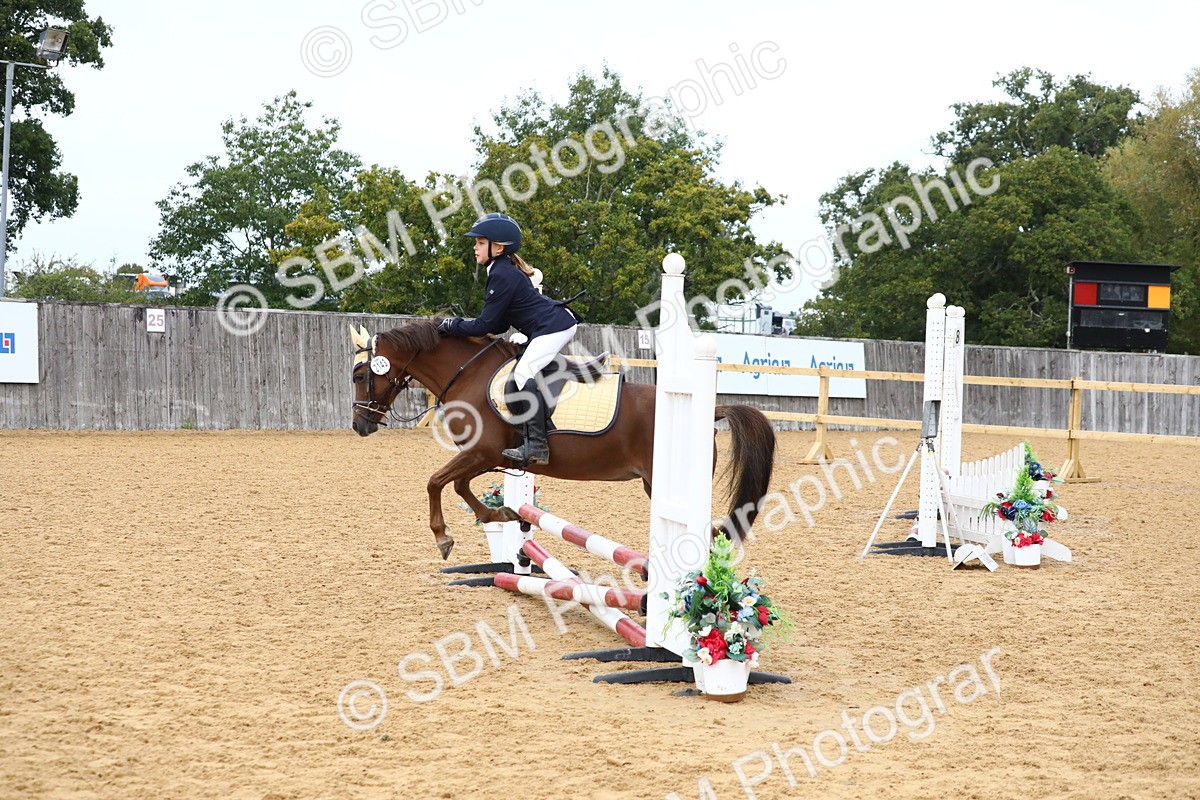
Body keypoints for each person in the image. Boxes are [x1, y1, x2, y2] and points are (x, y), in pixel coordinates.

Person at [437, 213, 578, 466]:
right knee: (520, 374)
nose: (474, 247)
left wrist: (451, 324)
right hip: (548, 325)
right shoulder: (501, 270)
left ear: (498, 247)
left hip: (554, 327)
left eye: (480, 242)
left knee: (524, 374)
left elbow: (485, 325)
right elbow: (500, 323)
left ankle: (537, 445)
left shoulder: (502, 274)